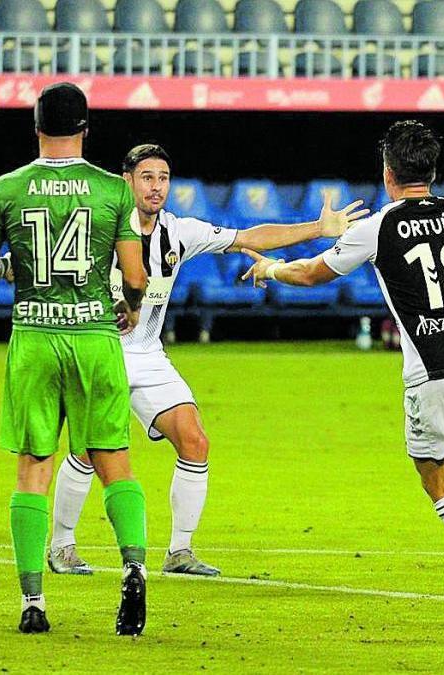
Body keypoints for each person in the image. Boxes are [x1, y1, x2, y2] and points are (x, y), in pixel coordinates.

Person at [241, 121, 444, 606]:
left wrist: (269, 267)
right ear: (433, 171)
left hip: (435, 366)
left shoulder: (377, 226)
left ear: (387, 173)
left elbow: (315, 274)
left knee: (439, 480)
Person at [47, 144, 369, 578]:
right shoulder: (101, 226)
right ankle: (62, 545)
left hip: (148, 354)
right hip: (99, 351)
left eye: (163, 177)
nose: (156, 186)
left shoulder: (180, 232)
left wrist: (316, 228)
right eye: (147, 177)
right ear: (126, 181)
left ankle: (180, 552)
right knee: (87, 449)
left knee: (195, 440)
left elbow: (248, 238)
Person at [0, 82, 149, 635]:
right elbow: (137, 278)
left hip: (35, 338)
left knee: (33, 471)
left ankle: (33, 603)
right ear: (86, 128)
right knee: (113, 460)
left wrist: (10, 271)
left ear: (37, 127)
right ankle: (135, 567)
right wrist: (130, 306)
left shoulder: (7, 188)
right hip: (94, 336)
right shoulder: (113, 191)